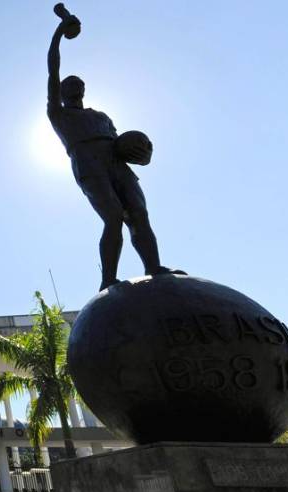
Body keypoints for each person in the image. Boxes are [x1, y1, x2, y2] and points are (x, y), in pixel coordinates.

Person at [47, 5, 183, 291]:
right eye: (71, 85)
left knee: (139, 214)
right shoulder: (58, 114)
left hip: (115, 162)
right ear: (61, 91)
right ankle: (108, 278)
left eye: (80, 84)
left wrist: (139, 151)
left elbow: (124, 145)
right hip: (88, 164)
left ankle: (153, 266)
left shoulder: (102, 116)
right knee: (112, 218)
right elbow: (53, 66)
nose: (77, 87)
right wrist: (60, 31)